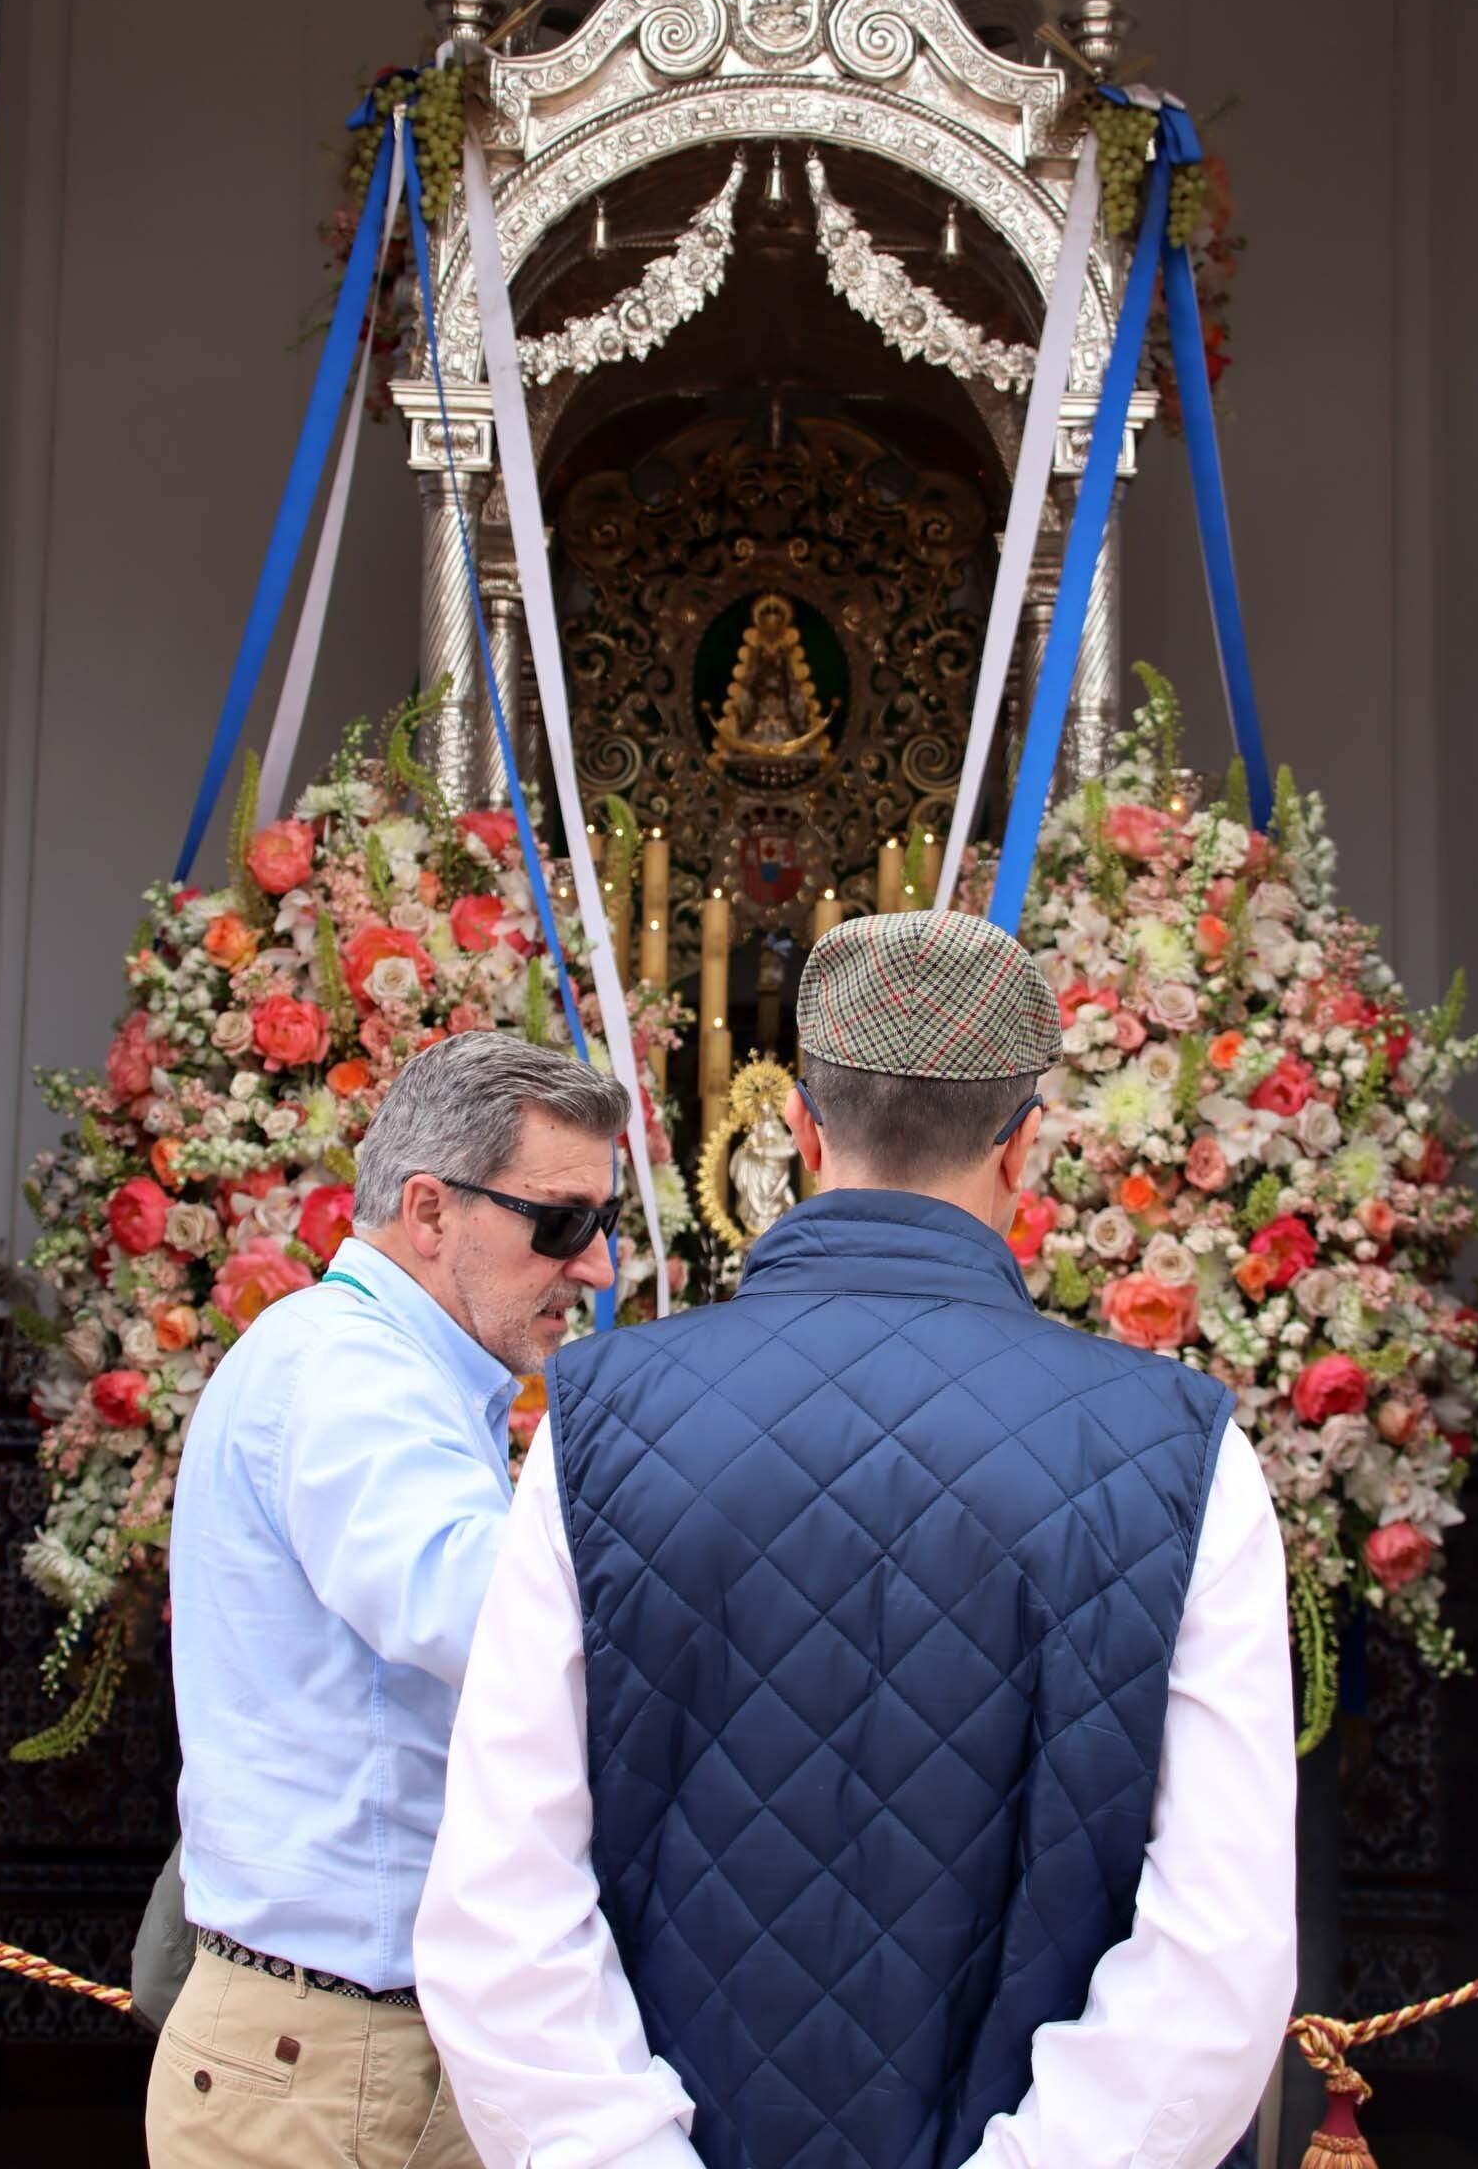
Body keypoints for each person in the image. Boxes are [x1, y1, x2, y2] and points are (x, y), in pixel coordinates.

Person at [415, 910, 1298, 2169]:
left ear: (801, 1130)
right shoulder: (1178, 1450)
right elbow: (1220, 1950)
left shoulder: (602, 1417)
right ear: (1026, 1145)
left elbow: (502, 1897)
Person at [146, 1031, 628, 2169]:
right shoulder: (351, 1375)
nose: (598, 1268)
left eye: (599, 1225)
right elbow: (483, 1619)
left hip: (347, 2049)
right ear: (429, 1210)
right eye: (561, 1223)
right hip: (336, 2056)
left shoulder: (379, 1366)